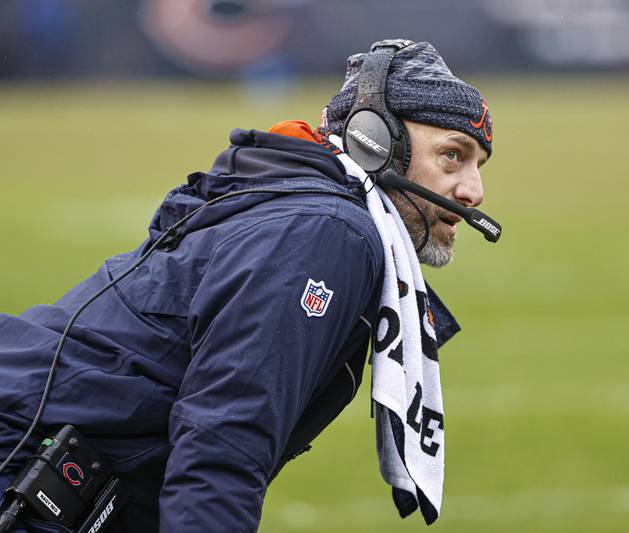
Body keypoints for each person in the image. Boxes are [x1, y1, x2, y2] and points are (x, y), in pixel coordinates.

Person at [0, 40, 493, 532]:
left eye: (477, 165)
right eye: (453, 155)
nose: (474, 190)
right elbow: (223, 443)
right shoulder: (328, 231)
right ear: (374, 141)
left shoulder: (306, 207)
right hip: (22, 475)